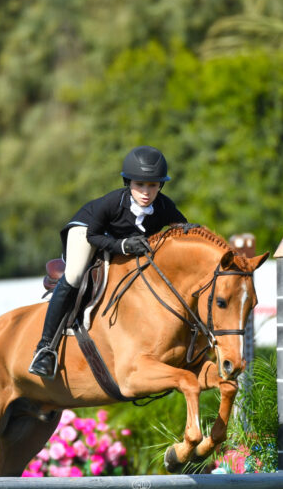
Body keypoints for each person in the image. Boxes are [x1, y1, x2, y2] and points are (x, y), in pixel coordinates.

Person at [29, 145, 189, 377]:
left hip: (116, 239)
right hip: (88, 230)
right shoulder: (112, 203)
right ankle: (44, 348)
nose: (146, 191)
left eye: (153, 185)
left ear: (160, 186)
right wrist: (123, 246)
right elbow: (93, 236)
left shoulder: (164, 206)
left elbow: (183, 230)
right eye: (139, 185)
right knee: (74, 275)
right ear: (128, 184)